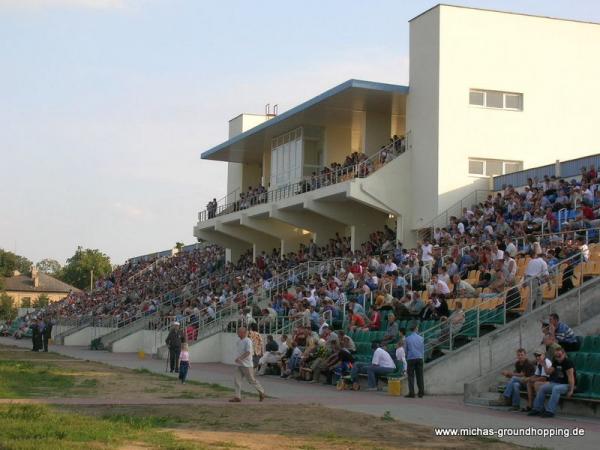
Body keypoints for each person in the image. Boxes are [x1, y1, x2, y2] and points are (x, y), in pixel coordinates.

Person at [529, 346, 576, 418]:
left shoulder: (568, 362)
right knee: (542, 388)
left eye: (559, 355)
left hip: (568, 384)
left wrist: (571, 390)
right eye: (556, 356)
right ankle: (537, 409)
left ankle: (550, 411)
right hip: (558, 383)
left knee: (556, 389)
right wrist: (544, 365)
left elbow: (571, 377)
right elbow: (548, 372)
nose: (558, 358)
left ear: (564, 354)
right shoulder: (556, 362)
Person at [229, 327, 266, 402]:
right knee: (237, 380)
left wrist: (240, 358)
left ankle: (261, 392)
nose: (237, 333)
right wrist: (237, 359)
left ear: (244, 333)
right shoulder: (239, 341)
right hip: (239, 364)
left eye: (239, 332)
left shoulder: (248, 341)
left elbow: (248, 352)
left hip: (247, 365)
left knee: (251, 380)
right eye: (238, 331)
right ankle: (237, 397)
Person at [405, 323, 425, 398]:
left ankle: (412, 393)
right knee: (420, 376)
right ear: (416, 329)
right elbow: (422, 350)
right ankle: (421, 392)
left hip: (411, 358)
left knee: (411, 376)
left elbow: (406, 350)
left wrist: (407, 356)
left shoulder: (408, 338)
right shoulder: (421, 338)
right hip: (419, 358)